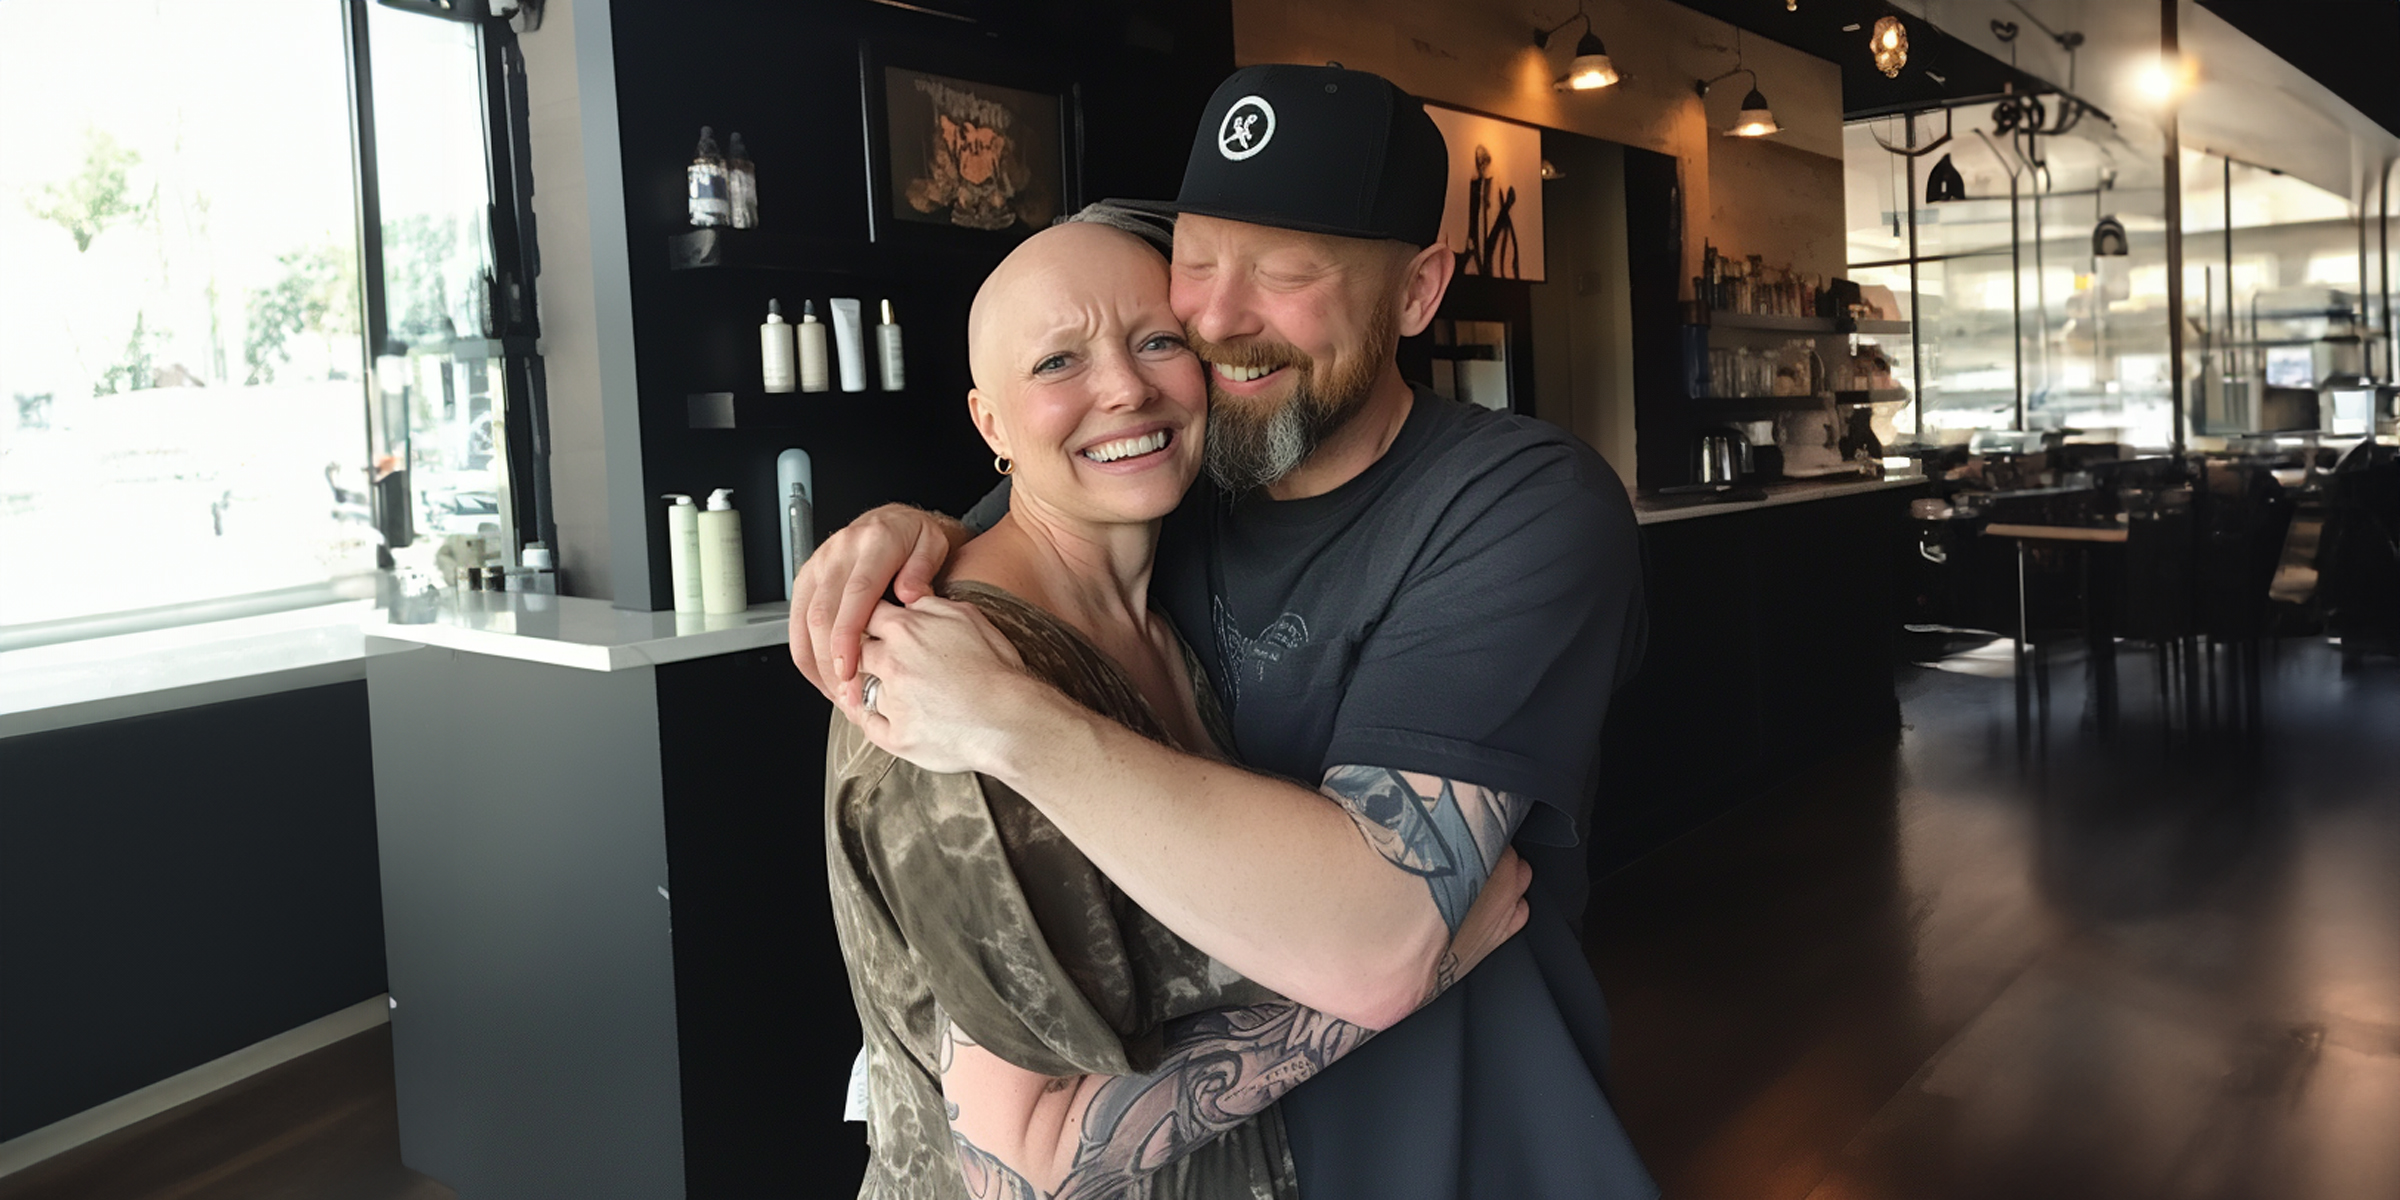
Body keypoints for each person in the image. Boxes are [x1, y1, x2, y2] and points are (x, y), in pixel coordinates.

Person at [810, 65, 1656, 1198]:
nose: (1216, 320)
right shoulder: (1165, 496)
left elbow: (1384, 934)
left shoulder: (1515, 504)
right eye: (1196, 266)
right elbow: (1026, 525)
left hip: (1467, 1137)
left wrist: (1017, 723)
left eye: (1287, 273)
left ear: (1417, 293)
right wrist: (898, 537)